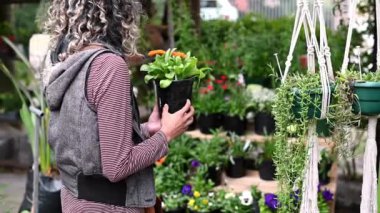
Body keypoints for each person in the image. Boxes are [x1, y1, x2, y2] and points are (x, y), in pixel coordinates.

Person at [43, 1, 194, 212]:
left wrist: (145, 130)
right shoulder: (109, 67)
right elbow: (117, 166)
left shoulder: (71, 62)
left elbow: (86, 143)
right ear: (120, 13)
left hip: (75, 202)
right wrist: (166, 135)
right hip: (108, 206)